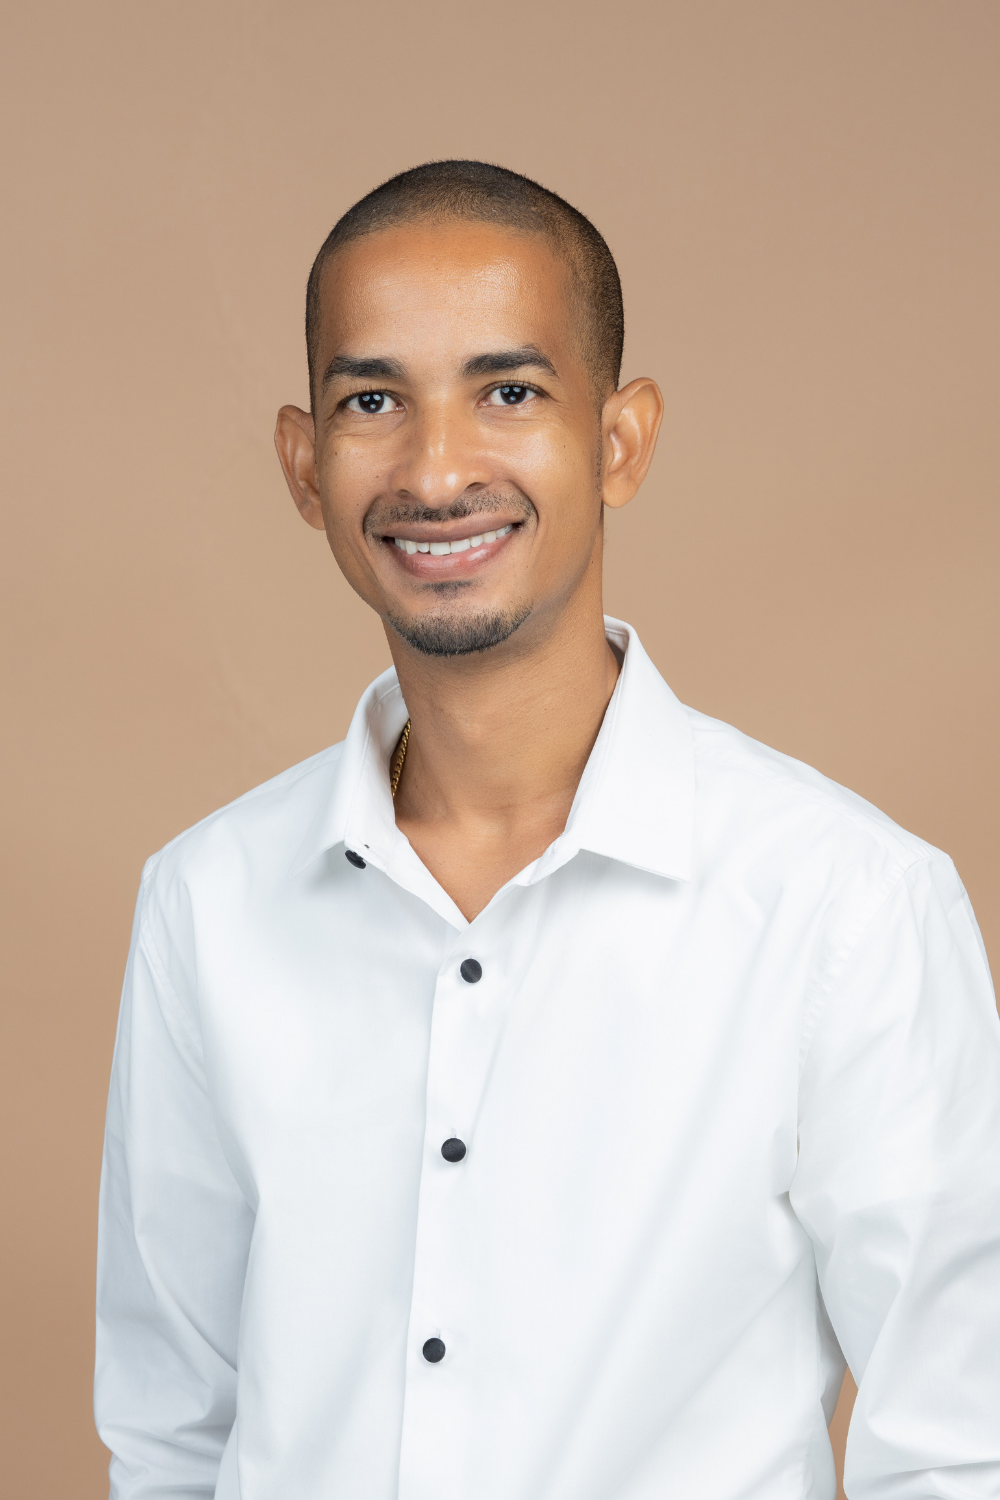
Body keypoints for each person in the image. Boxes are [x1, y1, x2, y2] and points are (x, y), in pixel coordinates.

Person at [95, 161, 1000, 1500]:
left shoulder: (845, 906)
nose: (437, 467)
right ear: (304, 462)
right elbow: (171, 1434)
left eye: (508, 392)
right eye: (372, 401)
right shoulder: (206, 901)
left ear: (620, 440)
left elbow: (960, 1441)